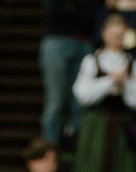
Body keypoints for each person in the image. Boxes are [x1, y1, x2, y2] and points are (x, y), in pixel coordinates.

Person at [73, 14, 136, 172]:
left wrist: (124, 83)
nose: (116, 38)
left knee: (123, 161)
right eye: (112, 34)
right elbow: (82, 94)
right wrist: (109, 81)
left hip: (123, 121)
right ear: (104, 34)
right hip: (97, 120)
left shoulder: (134, 64)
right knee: (93, 159)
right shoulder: (92, 61)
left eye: (120, 34)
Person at [41, 0, 102, 143]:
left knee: (80, 103)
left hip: (85, 41)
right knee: (55, 102)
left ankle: (78, 148)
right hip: (57, 39)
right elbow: (53, 11)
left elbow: (95, 11)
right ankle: (50, 148)